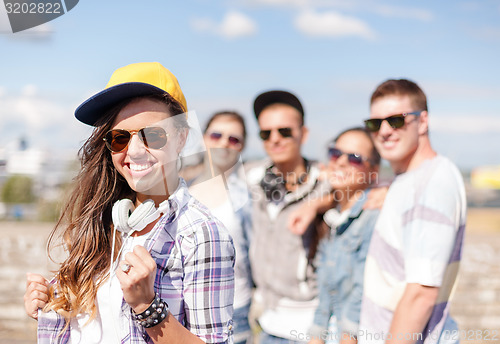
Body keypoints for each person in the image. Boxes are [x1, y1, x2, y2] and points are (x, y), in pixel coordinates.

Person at [23, 62, 235, 344]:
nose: (133, 151)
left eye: (152, 135)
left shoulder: (201, 234)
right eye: (120, 138)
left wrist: (147, 307)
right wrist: (52, 303)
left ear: (182, 138)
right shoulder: (107, 220)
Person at [358, 79, 467, 344]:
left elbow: (421, 294)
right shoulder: (412, 181)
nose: (384, 131)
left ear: (424, 121)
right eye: (375, 123)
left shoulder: (430, 186)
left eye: (396, 120)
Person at [245, 90, 329, 344]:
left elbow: (368, 191)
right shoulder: (253, 179)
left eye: (284, 131)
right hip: (267, 323)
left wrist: (316, 204)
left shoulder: (325, 181)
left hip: (310, 327)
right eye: (265, 133)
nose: (274, 140)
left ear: (303, 134)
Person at [307, 127, 381, 344]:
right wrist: (316, 336)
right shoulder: (331, 217)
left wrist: (347, 338)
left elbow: (362, 290)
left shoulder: (373, 217)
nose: (340, 162)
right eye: (335, 153)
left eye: (355, 158)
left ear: (373, 171)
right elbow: (325, 294)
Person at [187, 111, 253, 344]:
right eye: (217, 135)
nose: (224, 143)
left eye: (234, 139)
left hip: (235, 312)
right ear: (205, 138)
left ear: (242, 147)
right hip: (186, 311)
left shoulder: (250, 198)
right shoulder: (179, 194)